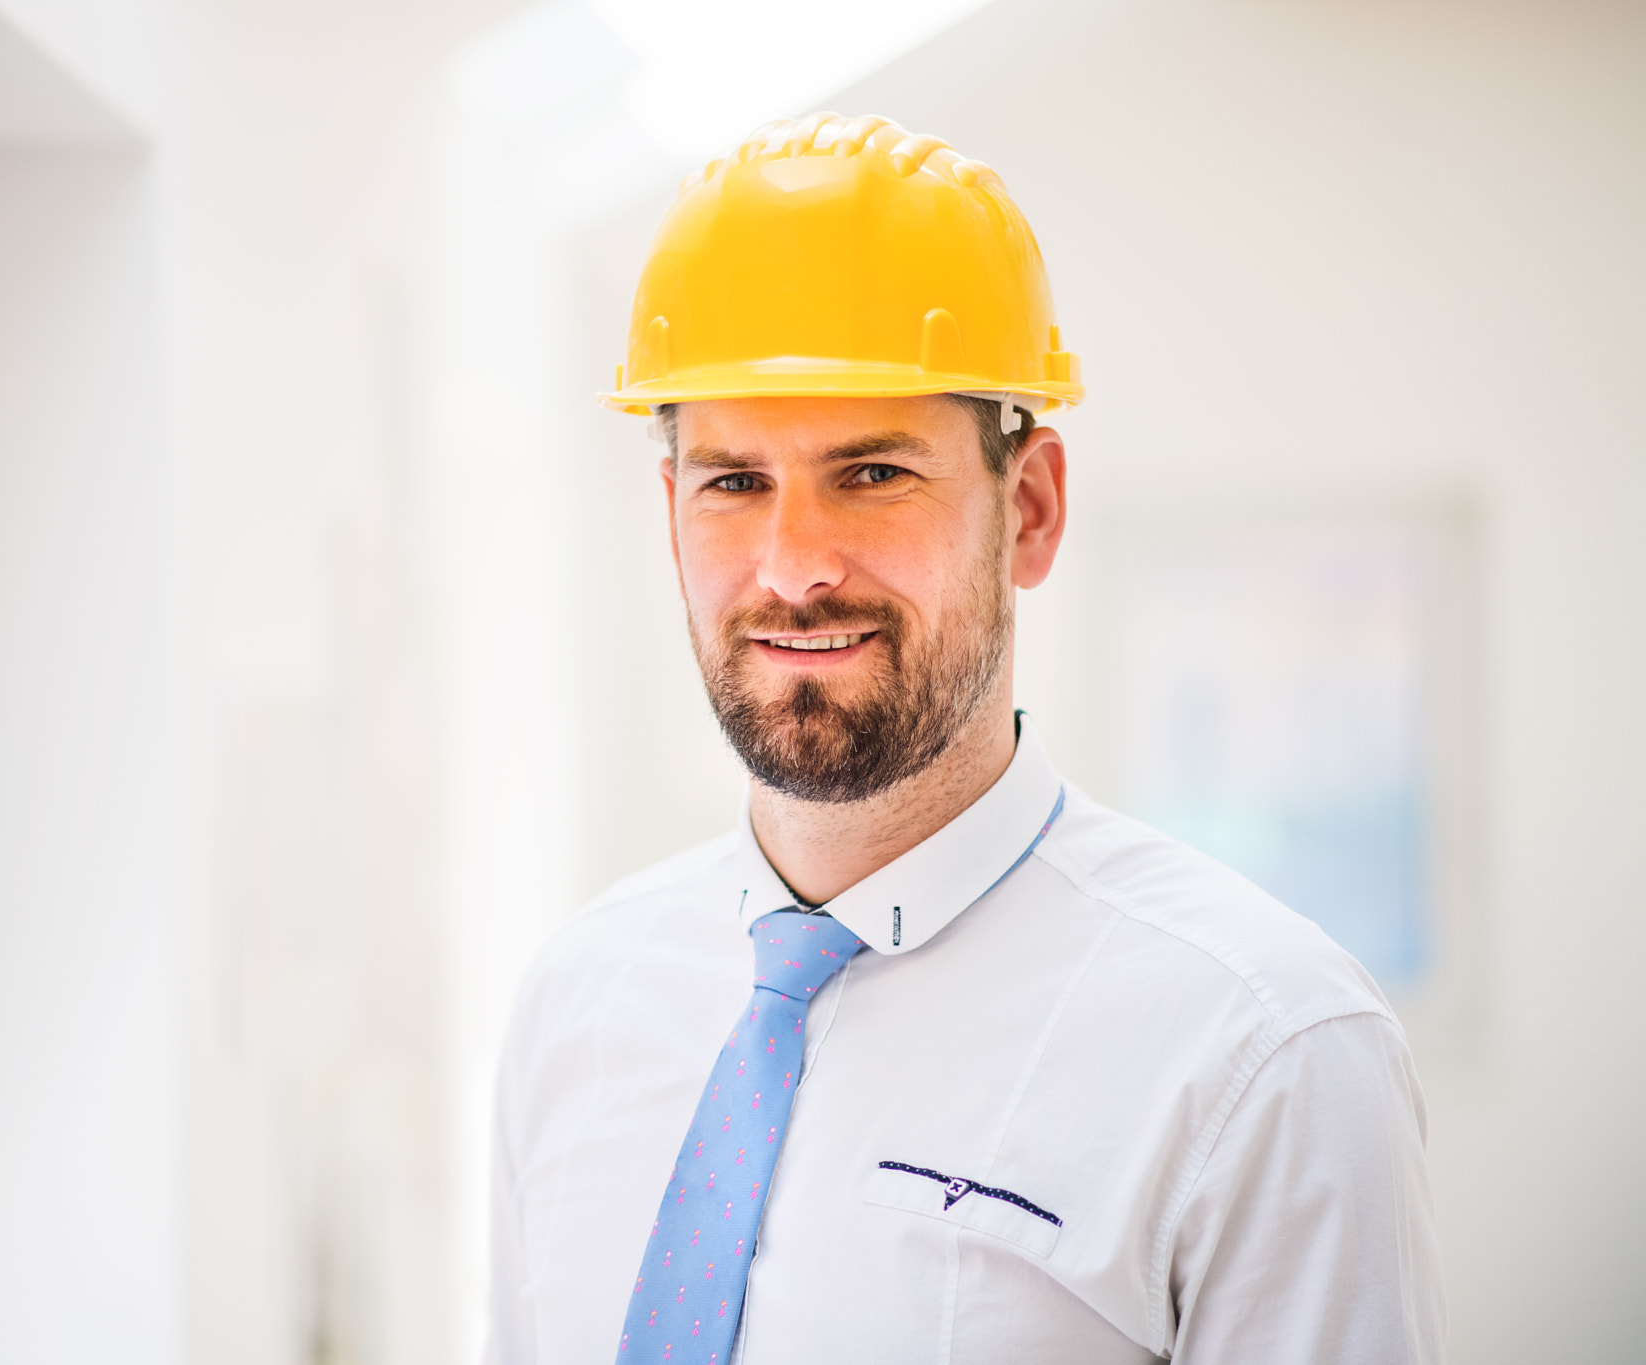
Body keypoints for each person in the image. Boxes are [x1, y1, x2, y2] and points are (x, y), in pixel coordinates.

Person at [483, 113, 1445, 1364]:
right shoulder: (578, 1006)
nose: (793, 569)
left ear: (1029, 509)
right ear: (671, 517)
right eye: (733, 482)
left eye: (872, 473)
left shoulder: (1259, 1054)